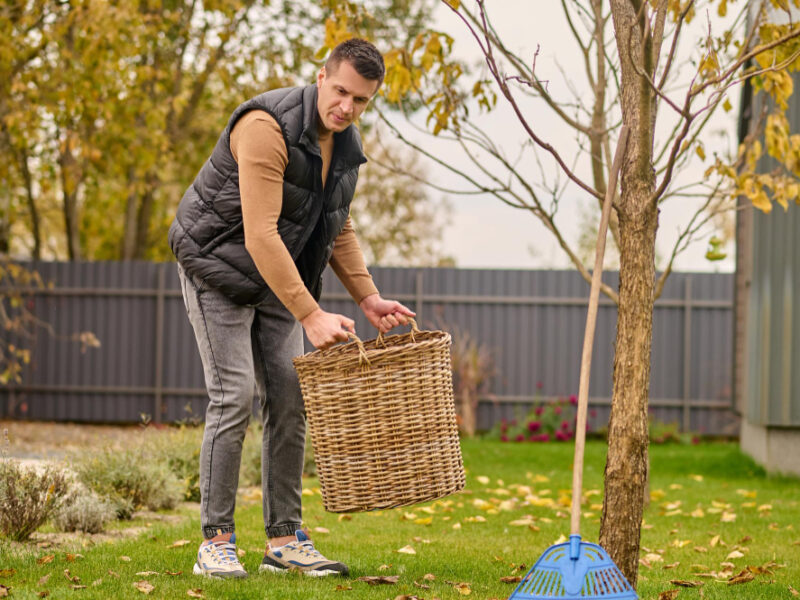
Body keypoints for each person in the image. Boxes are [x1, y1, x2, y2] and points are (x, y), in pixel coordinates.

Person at [168, 38, 415, 580]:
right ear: (322, 75)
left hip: (281, 277)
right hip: (218, 265)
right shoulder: (265, 127)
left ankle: (283, 539)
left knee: (289, 399)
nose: (347, 108)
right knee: (233, 396)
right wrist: (311, 314)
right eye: (342, 91)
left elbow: (337, 225)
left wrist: (367, 297)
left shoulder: (345, 145)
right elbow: (258, 234)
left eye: (362, 101)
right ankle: (216, 541)